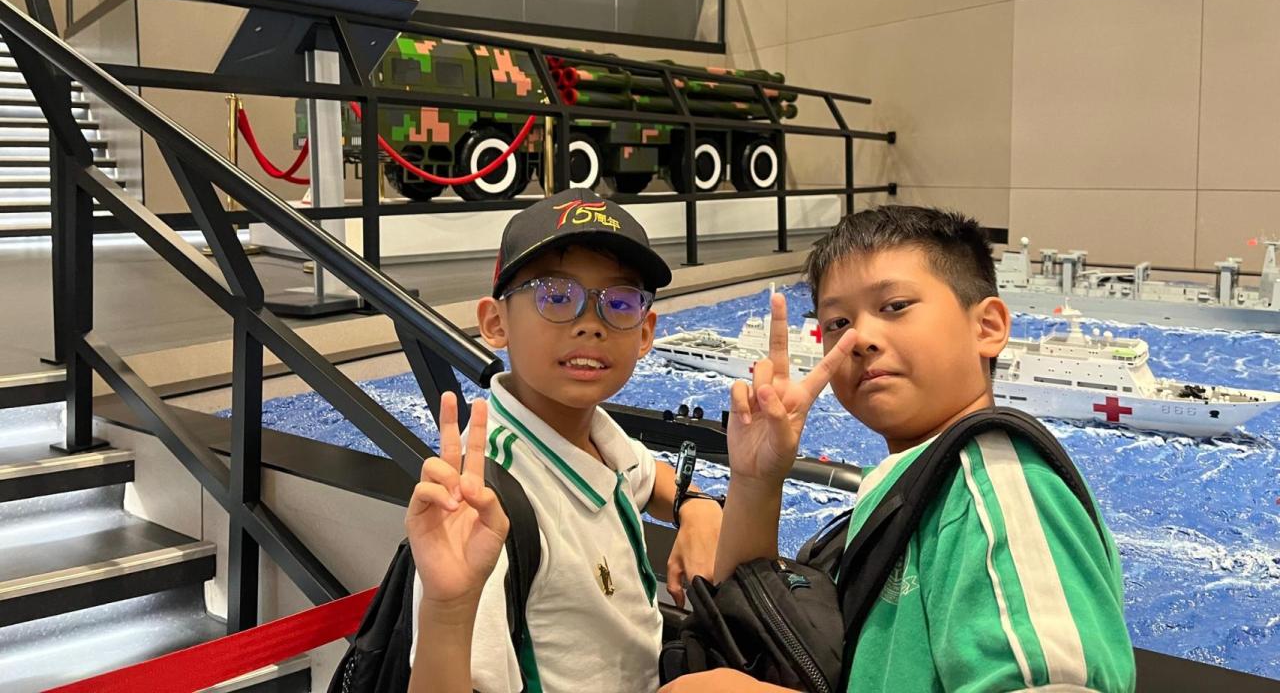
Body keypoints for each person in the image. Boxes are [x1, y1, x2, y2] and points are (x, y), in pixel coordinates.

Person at [662, 205, 1136, 692]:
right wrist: (757, 481)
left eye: (895, 306)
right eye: (838, 322)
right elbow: (748, 627)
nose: (861, 338)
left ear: (987, 327)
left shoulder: (1000, 490)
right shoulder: (923, 483)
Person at [405, 188, 723, 693]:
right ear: (495, 322)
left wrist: (697, 506)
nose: (591, 325)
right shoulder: (483, 501)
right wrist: (448, 609)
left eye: (620, 302)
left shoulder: (592, 432)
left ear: (645, 333)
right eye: (556, 296)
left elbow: (648, 476)